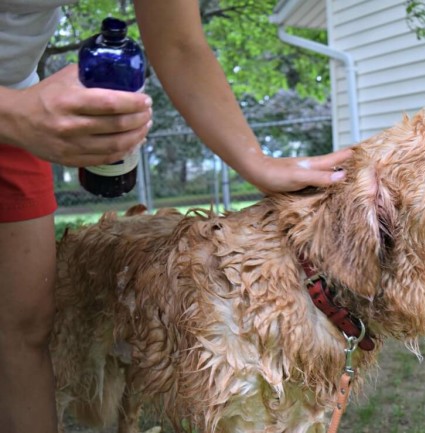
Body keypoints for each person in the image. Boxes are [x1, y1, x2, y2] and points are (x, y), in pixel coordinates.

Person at [0, 1, 352, 432]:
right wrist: (13, 114)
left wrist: (257, 162)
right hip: (13, 112)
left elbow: (180, 44)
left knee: (22, 330)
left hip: (13, 108)